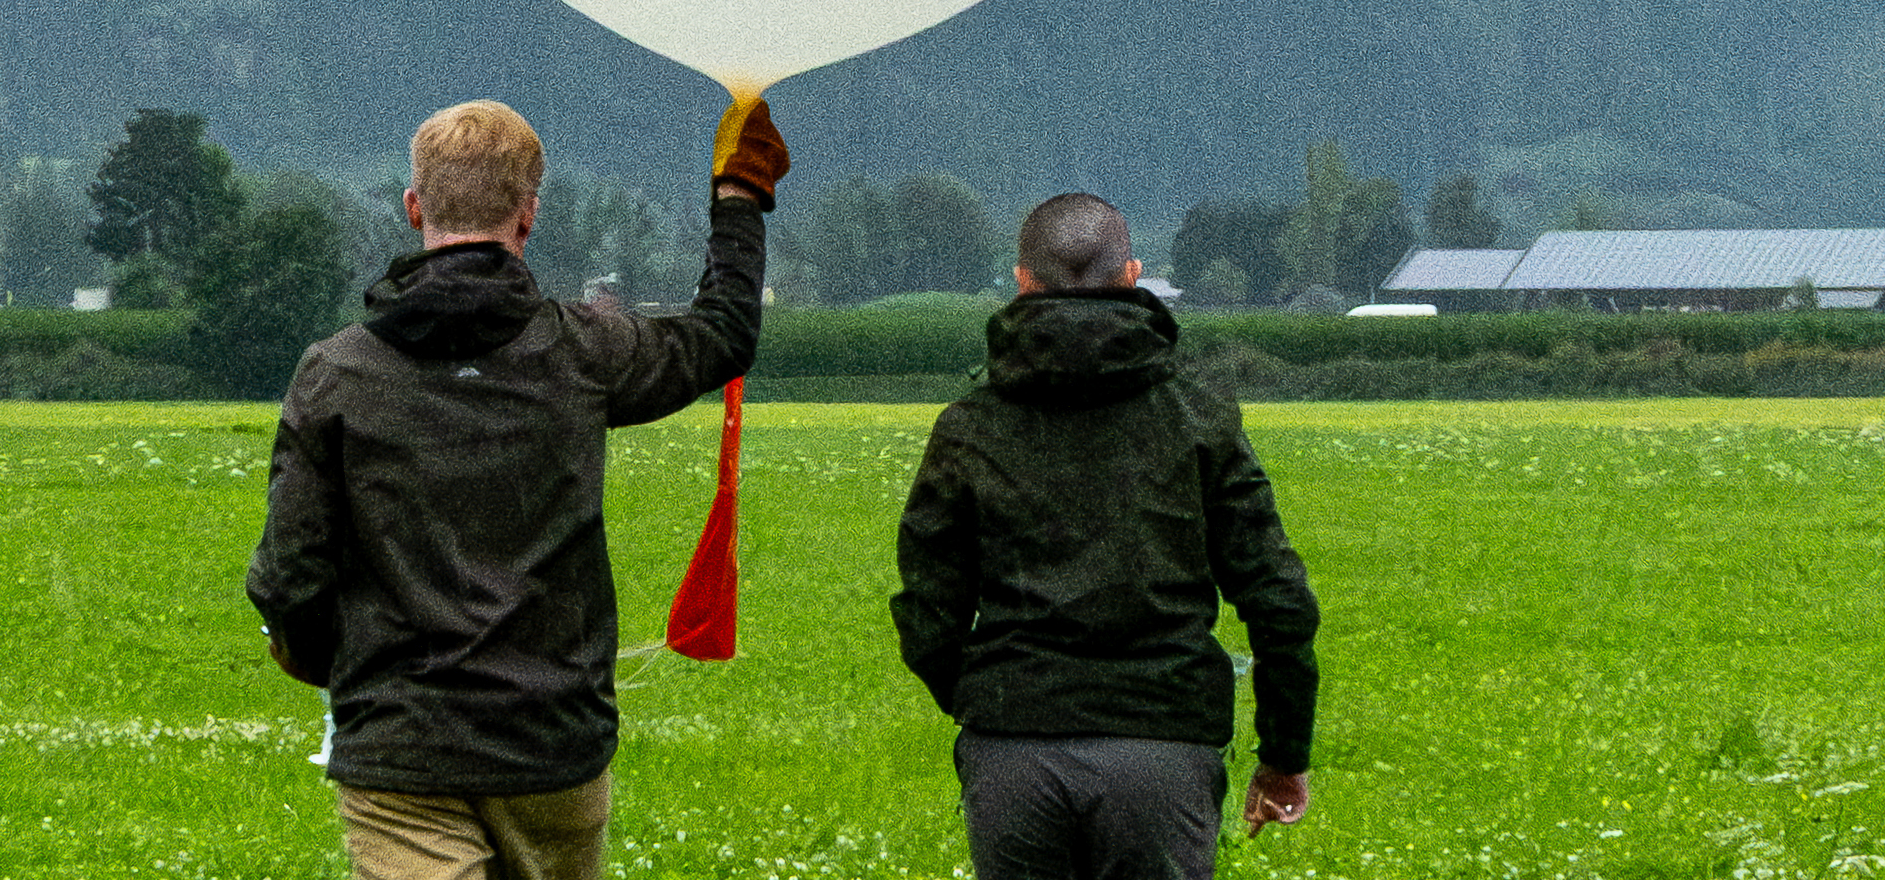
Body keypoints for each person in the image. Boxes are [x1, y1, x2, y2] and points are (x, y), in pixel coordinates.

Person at [248, 94, 792, 880]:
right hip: (554, 748)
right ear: (528, 216)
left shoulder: (336, 373)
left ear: (413, 207)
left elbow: (291, 571)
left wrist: (331, 664)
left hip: (401, 753)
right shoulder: (584, 351)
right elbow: (721, 335)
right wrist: (738, 202)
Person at [892, 193, 1319, 880]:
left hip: (1013, 751)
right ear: (1132, 275)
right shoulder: (1200, 417)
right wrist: (1284, 754)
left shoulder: (968, 427)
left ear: (1022, 281)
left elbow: (926, 611)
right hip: (1164, 746)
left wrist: (994, 700)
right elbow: (1279, 599)